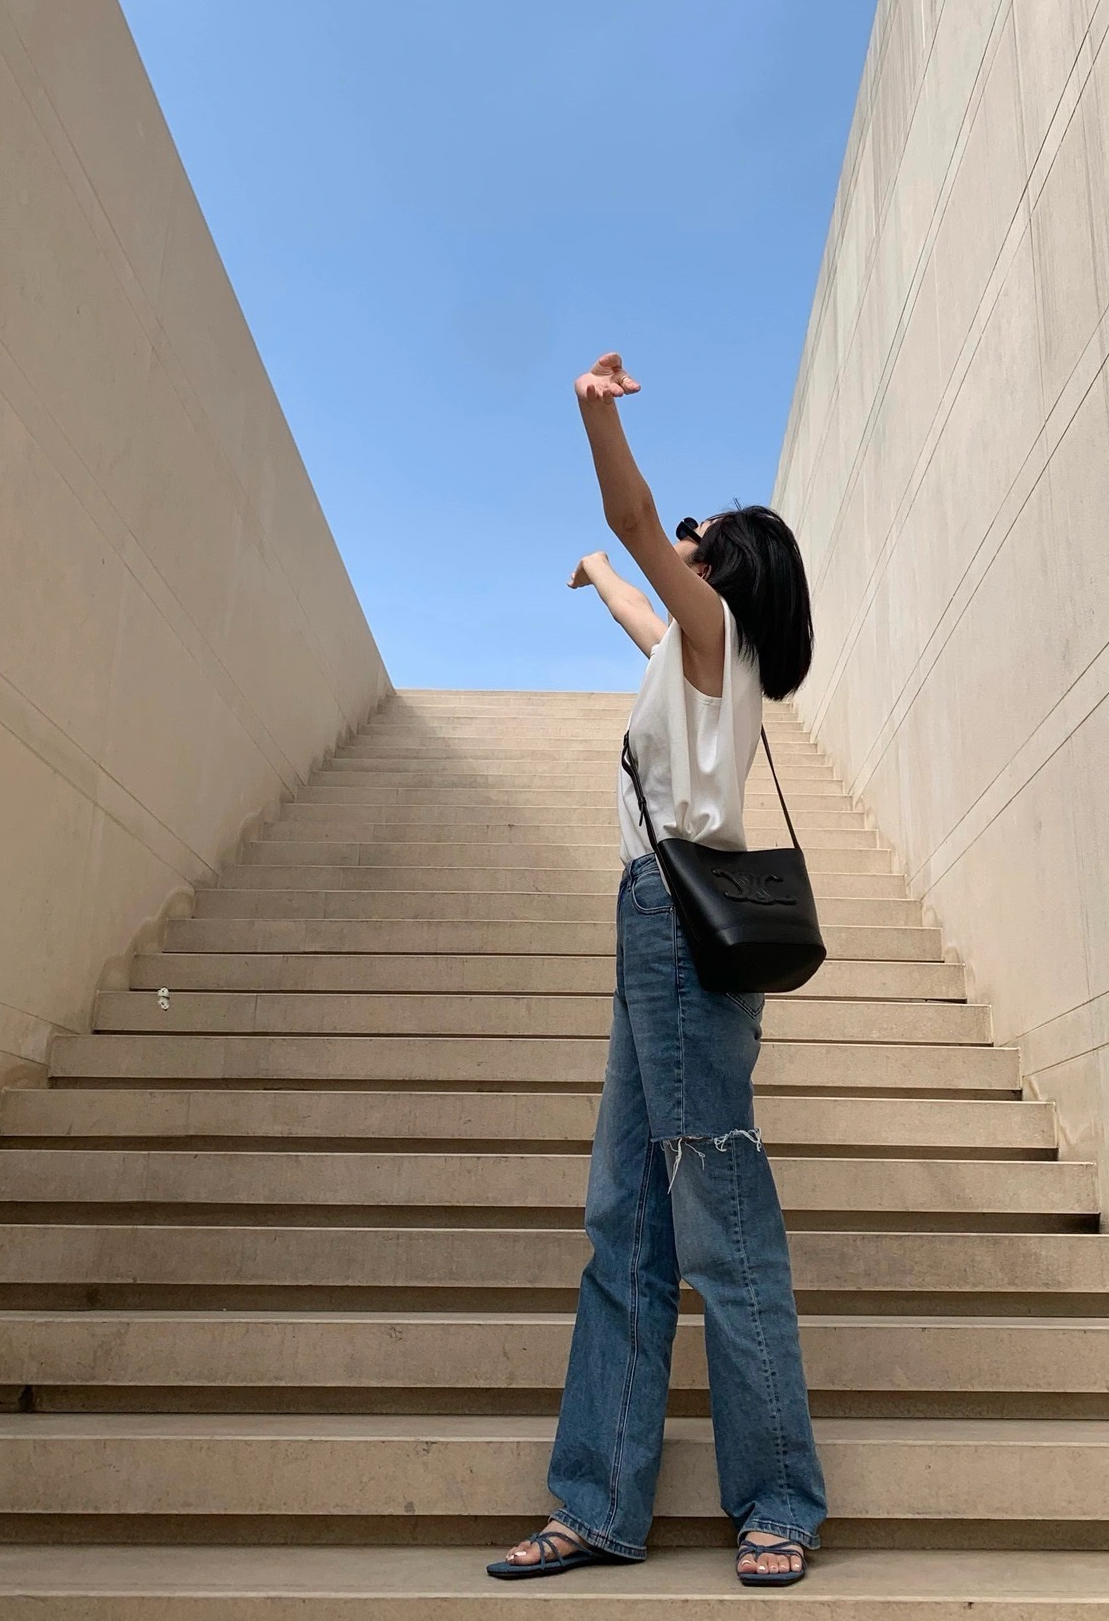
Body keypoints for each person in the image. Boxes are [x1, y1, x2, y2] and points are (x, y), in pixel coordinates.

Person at [486, 352, 827, 1589]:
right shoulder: (688, 651)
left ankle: (778, 1498)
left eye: (702, 537)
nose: (683, 538)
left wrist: (594, 418)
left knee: (719, 1222)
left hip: (682, 934)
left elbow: (639, 521)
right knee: (623, 1224)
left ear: (729, 569)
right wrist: (594, 573)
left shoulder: (719, 634)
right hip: (654, 924)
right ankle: (597, 1503)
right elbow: (638, 594)